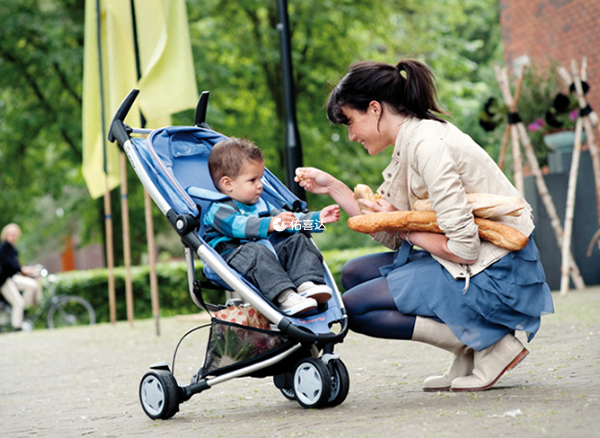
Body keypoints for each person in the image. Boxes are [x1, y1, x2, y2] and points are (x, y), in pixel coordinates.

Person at [294, 59, 554, 391]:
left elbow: (464, 248)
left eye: (350, 122)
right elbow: (392, 235)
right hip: (478, 261)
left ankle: (489, 345)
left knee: (354, 308)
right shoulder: (410, 143)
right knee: (352, 274)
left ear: (374, 109)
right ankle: (471, 348)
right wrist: (334, 188)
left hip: (497, 270)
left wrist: (405, 228)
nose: (350, 135)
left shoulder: (427, 146)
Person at [204, 137, 341, 317]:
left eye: (260, 178)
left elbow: (291, 220)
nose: (260, 185)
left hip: (266, 256)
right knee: (256, 251)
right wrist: (274, 223)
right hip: (235, 256)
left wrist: (317, 220)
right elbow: (240, 226)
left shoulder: (261, 205)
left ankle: (307, 284)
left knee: (297, 239)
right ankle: (285, 297)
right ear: (228, 184)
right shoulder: (218, 210)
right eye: (253, 180)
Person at [0, 223, 42, 331]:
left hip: (12, 278)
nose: (13, 236)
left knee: (32, 285)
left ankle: (24, 311)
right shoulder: (4, 248)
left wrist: (26, 270)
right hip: (4, 280)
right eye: (11, 234)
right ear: (6, 235)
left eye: (15, 234)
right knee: (18, 302)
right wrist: (24, 270)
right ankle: (17, 326)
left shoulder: (12, 249)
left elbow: (16, 267)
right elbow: (10, 265)